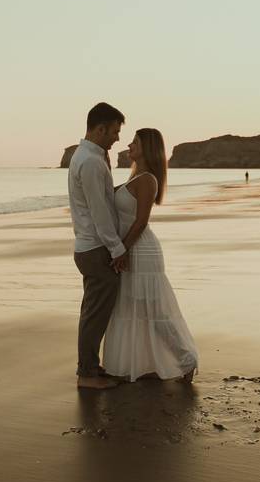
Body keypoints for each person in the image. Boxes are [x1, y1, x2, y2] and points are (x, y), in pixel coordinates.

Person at [102, 128, 199, 382]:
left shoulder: (148, 180)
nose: (129, 145)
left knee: (154, 311)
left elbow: (141, 221)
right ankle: (136, 364)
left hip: (141, 251)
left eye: (135, 142)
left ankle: (187, 359)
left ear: (147, 147)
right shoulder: (136, 178)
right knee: (133, 307)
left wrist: (121, 249)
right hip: (130, 248)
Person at [67, 103, 129, 389]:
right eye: (115, 131)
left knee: (93, 311)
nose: (117, 138)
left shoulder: (91, 156)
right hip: (95, 248)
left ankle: (90, 368)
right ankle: (87, 375)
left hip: (88, 245)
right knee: (95, 314)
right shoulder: (90, 161)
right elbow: (99, 211)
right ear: (100, 128)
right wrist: (117, 248)